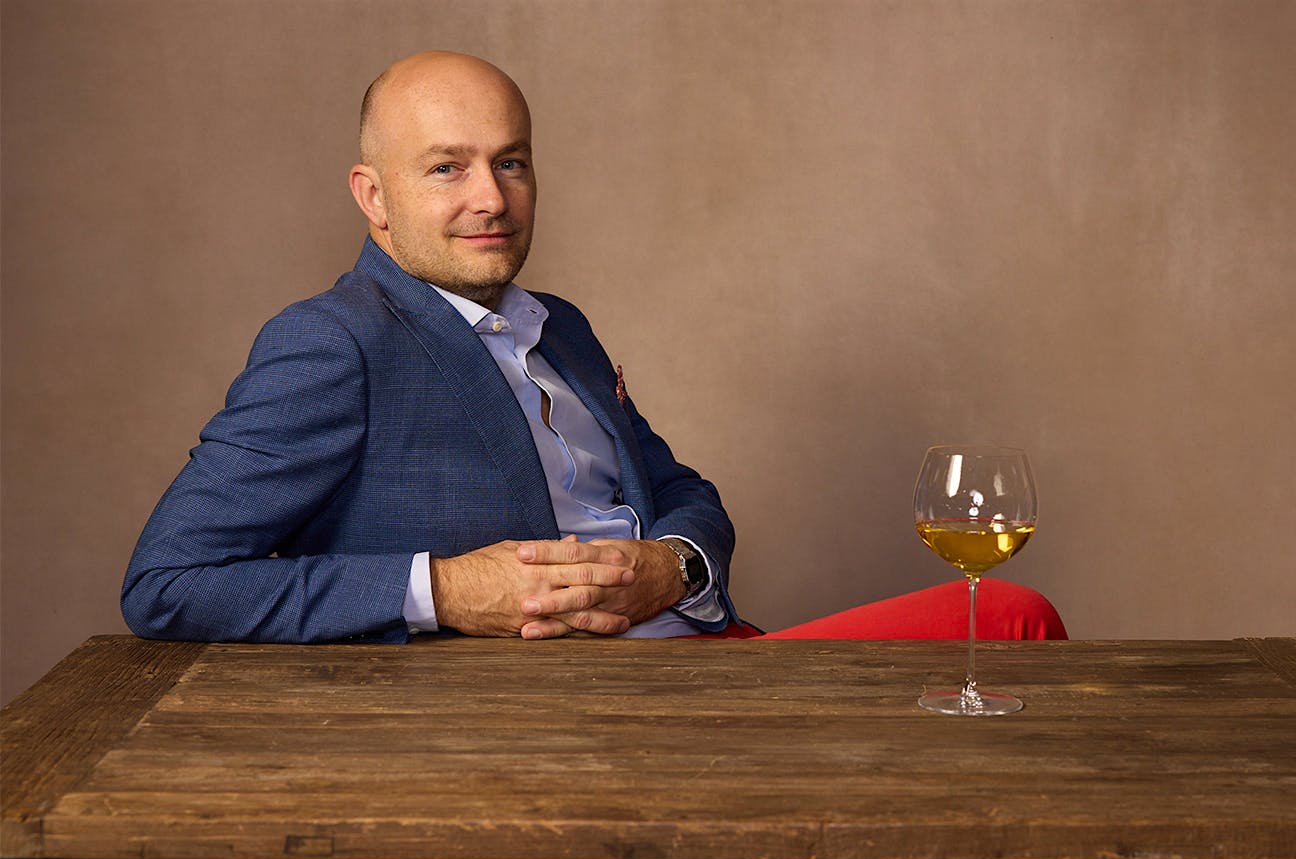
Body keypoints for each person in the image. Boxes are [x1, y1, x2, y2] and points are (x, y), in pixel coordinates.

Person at [121, 51, 1065, 644]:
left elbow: (684, 492)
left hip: (708, 658)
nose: (490, 197)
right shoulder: (332, 343)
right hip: (581, 721)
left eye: (511, 161)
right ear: (373, 195)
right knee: (1017, 619)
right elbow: (169, 586)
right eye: (446, 167)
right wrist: (443, 591)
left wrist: (679, 567)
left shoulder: (558, 325)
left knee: (1010, 621)